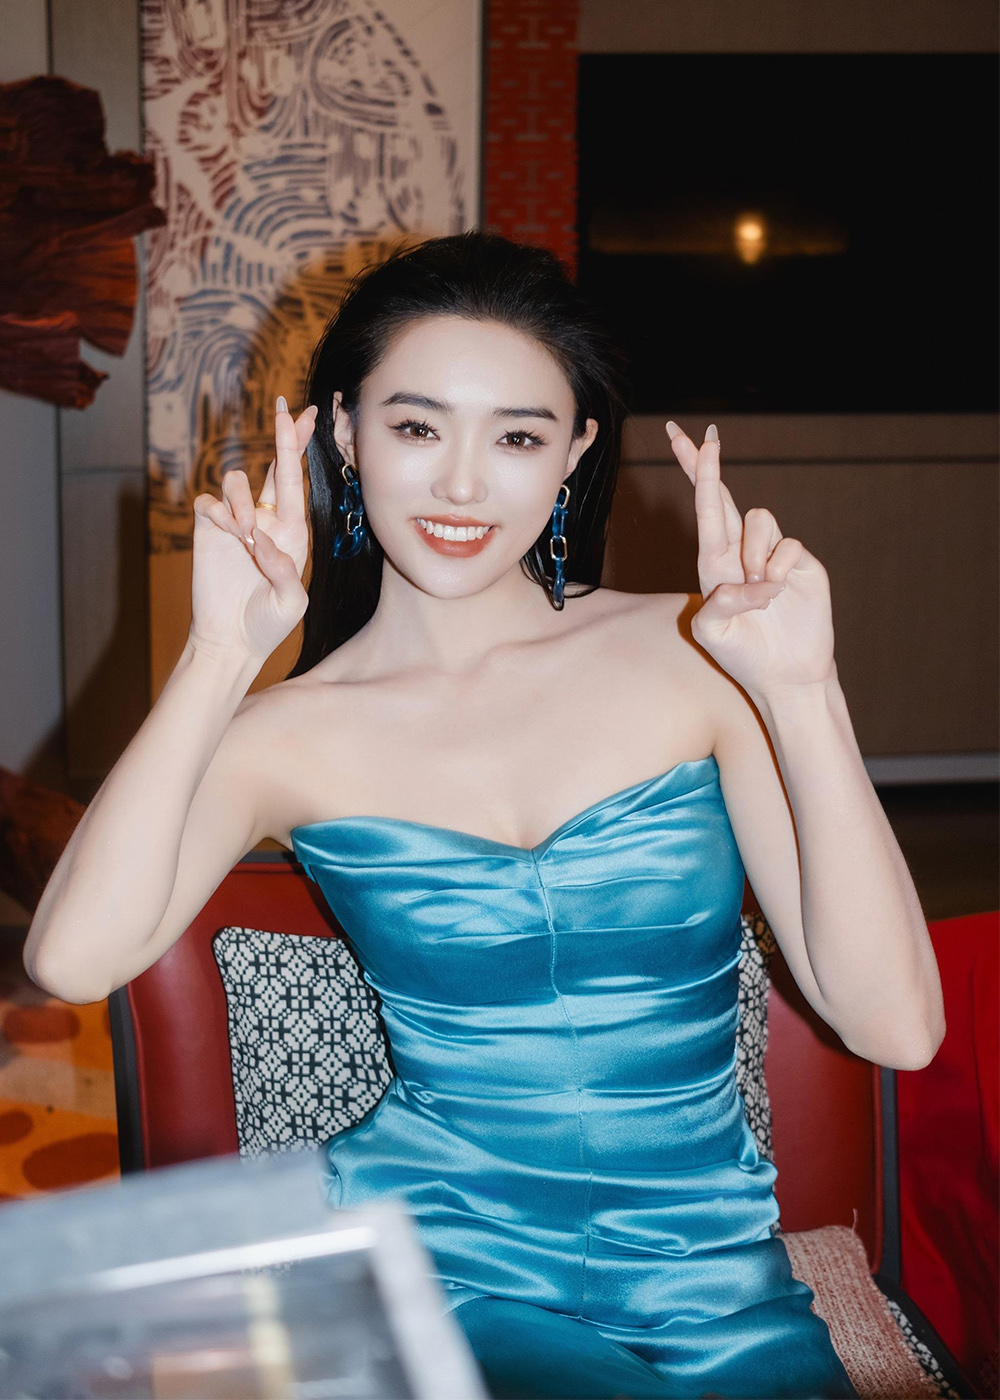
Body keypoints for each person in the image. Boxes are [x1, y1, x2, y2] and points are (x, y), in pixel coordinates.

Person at [24, 231, 944, 1400]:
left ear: (572, 454)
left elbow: (895, 1026)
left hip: (713, 1285)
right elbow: (71, 957)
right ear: (346, 432)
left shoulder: (702, 653)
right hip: (440, 1266)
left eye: (515, 436)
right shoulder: (285, 733)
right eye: (417, 427)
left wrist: (801, 691)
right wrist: (217, 654)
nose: (461, 485)